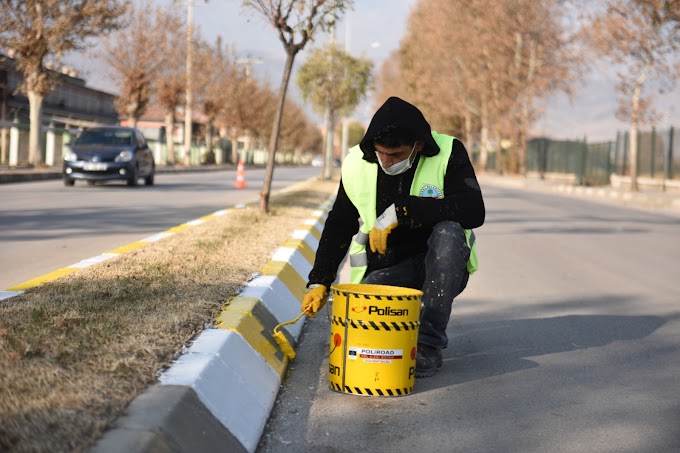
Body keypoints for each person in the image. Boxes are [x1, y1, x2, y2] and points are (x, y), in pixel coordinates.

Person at [302, 96, 485, 377]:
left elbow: (474, 210)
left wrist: (404, 211)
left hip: (440, 268)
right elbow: (340, 223)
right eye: (381, 153)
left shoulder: (448, 152)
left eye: (397, 155)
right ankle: (406, 331)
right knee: (369, 339)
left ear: (418, 146)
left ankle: (428, 344)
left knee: (449, 232)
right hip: (388, 268)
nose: (386, 162)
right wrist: (320, 280)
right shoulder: (356, 163)